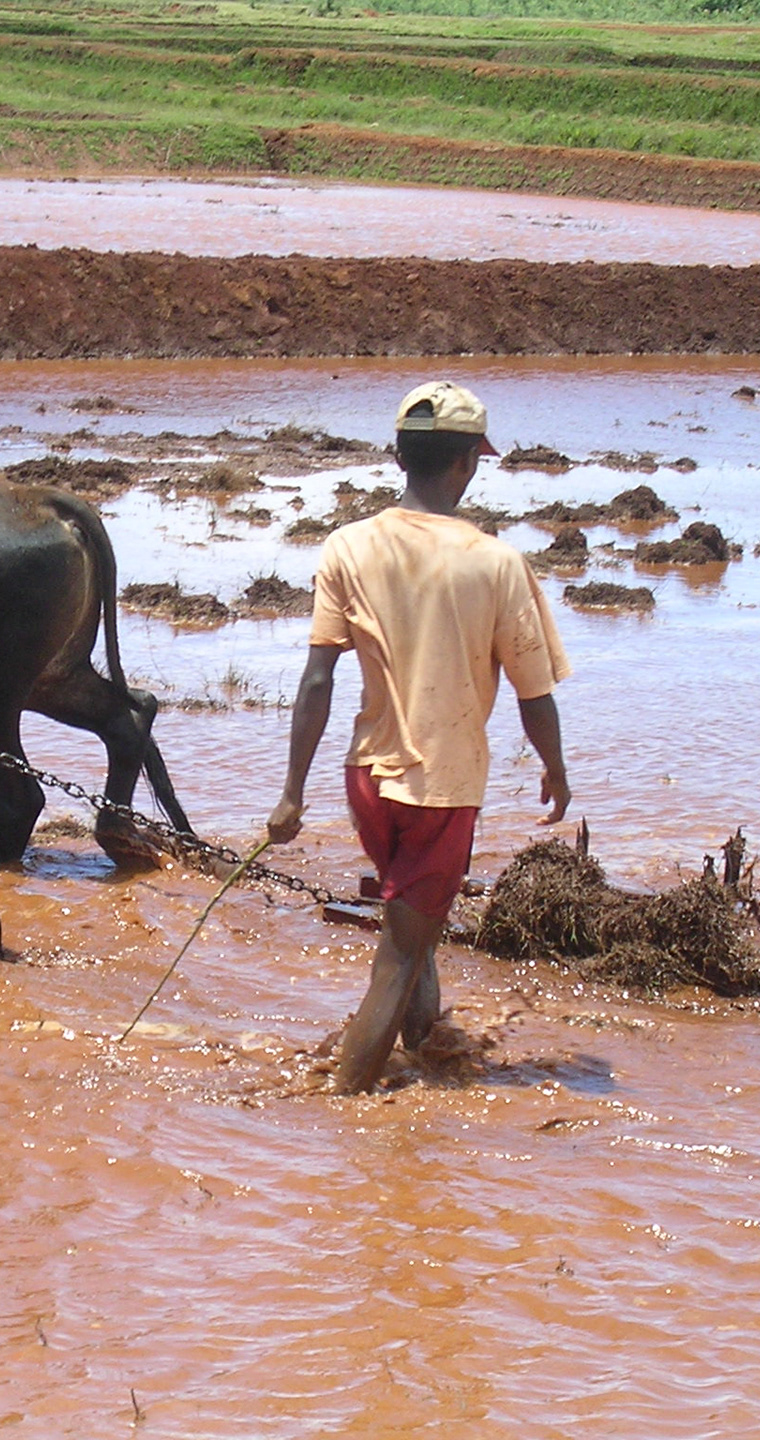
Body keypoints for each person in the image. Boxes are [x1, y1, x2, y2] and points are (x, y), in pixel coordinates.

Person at [267, 381, 572, 1094]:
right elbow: (535, 693)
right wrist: (556, 771)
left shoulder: (348, 546)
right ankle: (347, 1109)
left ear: (399, 457)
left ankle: (424, 1047)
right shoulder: (496, 563)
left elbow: (317, 680)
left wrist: (290, 794)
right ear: (467, 463)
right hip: (442, 788)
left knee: (416, 927)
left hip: (367, 780)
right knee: (399, 956)